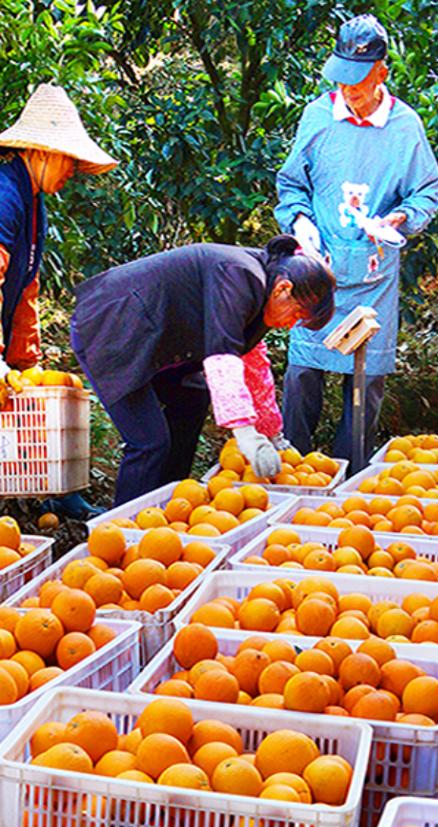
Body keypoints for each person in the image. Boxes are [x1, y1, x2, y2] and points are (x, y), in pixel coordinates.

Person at [275, 14, 438, 468]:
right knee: (303, 374)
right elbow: (291, 183)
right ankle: (289, 469)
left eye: (359, 79)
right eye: (341, 78)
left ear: (382, 73)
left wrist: (402, 216)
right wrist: (300, 220)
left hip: (373, 273)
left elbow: (427, 190)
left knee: (363, 382)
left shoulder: (404, 126)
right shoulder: (318, 116)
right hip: (317, 267)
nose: (348, 90)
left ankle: (349, 478)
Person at [70, 237, 335, 505]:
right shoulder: (240, 275)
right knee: (149, 441)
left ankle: (172, 504)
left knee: (192, 397)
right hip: (113, 328)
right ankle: (124, 525)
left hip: (156, 342)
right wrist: (245, 434)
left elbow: (254, 368)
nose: (291, 325)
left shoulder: (264, 296)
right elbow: (223, 357)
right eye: (297, 314)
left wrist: (272, 434)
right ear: (283, 289)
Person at [0, 84, 117, 518]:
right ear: (44, 152)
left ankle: (53, 491)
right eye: (69, 160)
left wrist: (24, 361)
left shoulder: (34, 201)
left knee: (37, 395)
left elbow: (26, 285)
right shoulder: (5, 195)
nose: (71, 172)